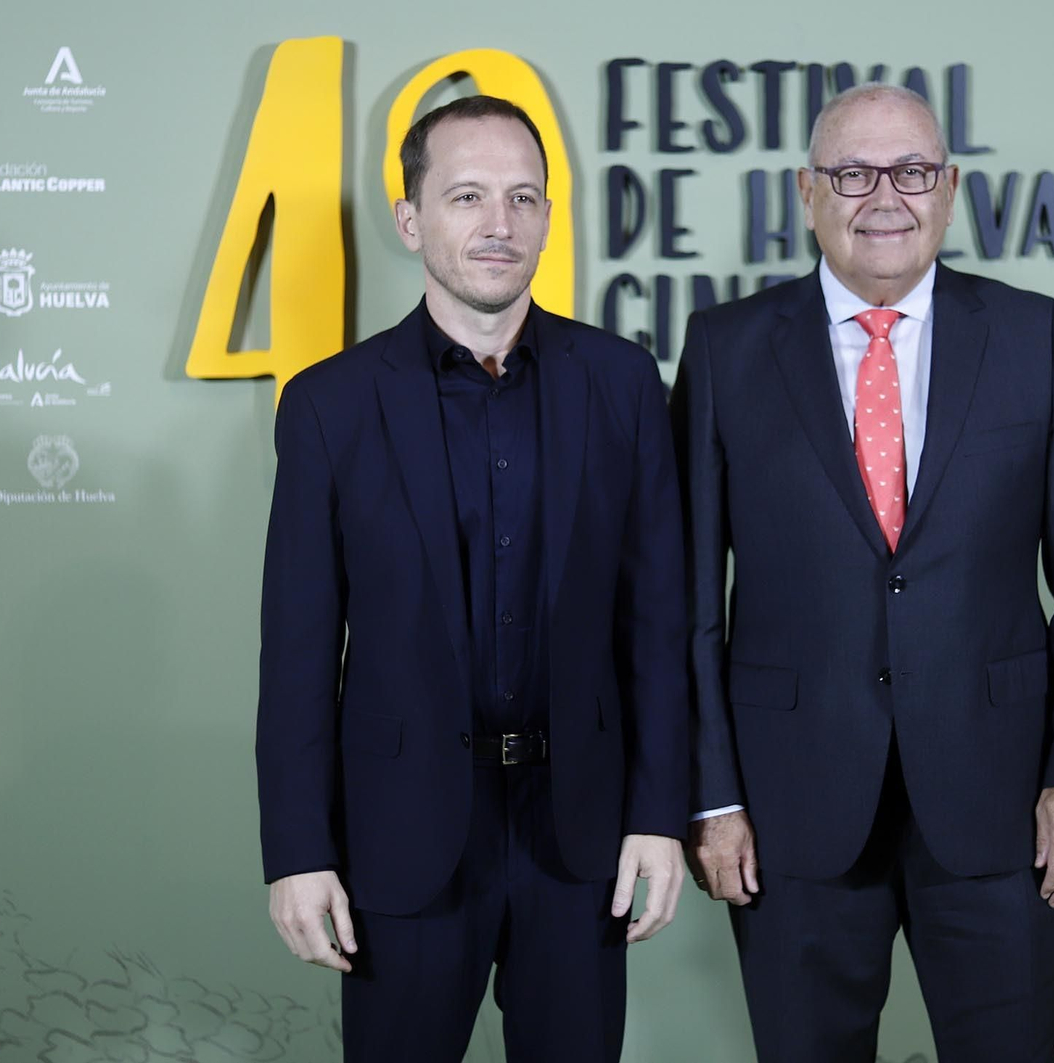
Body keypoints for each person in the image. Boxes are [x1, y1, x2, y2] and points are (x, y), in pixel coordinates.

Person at [671, 83, 1054, 1063]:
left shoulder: (1032, 338)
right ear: (807, 193)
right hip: (788, 810)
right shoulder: (725, 351)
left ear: (949, 188)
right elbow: (687, 608)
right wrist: (711, 798)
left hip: (1001, 805)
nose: (885, 196)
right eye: (852, 173)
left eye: (912, 171)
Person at [255, 94, 688, 1063]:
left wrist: (659, 816)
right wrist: (299, 850)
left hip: (577, 837)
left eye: (523, 198)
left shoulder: (620, 381)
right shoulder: (330, 406)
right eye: (466, 197)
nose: (500, 224)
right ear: (411, 220)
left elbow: (656, 622)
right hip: (398, 841)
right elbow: (296, 651)